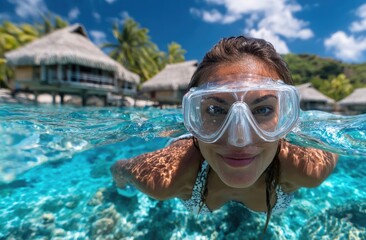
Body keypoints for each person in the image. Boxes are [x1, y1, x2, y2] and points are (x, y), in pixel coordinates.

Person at [110, 36, 338, 235]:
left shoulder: (309, 168)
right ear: (193, 117)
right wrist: (119, 189)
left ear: (287, 117)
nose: (239, 139)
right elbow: (119, 168)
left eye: (263, 109)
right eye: (216, 110)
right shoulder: (164, 178)